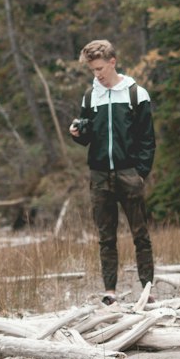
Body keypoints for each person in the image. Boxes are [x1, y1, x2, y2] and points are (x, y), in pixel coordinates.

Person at [69, 39, 155, 305]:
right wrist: (77, 134)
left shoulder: (135, 94)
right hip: (99, 175)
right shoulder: (90, 96)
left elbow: (147, 139)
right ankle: (110, 292)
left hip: (129, 173)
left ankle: (147, 290)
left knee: (140, 234)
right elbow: (88, 138)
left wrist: (140, 172)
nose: (97, 75)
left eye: (100, 69)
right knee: (106, 237)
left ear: (112, 62)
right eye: (93, 70)